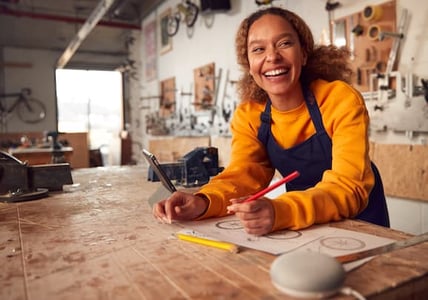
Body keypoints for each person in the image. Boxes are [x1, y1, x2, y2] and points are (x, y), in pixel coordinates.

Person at [152, 7, 389, 235]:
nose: (272, 57)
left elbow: (348, 187)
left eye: (284, 43)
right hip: (303, 222)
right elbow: (243, 176)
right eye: (258, 49)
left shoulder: (339, 99)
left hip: (359, 219)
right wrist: (203, 202)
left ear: (304, 53)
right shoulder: (250, 115)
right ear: (249, 64)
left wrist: (282, 211)